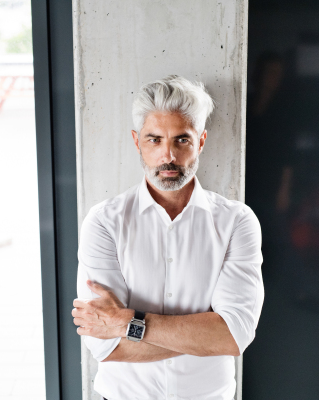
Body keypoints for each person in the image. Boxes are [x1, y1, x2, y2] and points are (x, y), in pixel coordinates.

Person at [72, 75, 264, 400]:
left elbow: (233, 337)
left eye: (181, 140)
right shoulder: (104, 222)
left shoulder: (237, 222)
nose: (168, 155)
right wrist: (201, 336)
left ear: (201, 142)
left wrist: (127, 323)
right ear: (137, 142)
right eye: (155, 140)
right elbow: (106, 345)